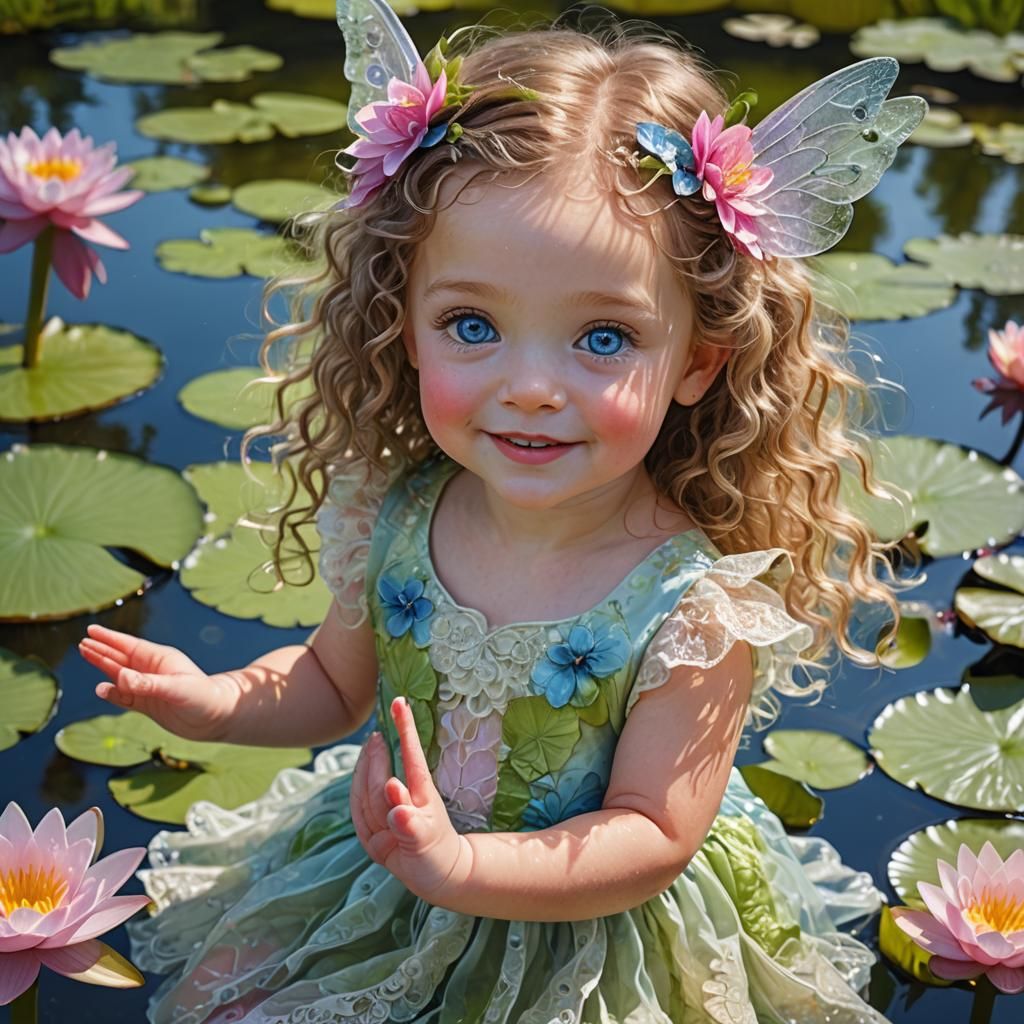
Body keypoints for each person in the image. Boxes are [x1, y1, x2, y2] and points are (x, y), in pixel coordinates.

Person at [78, 8, 924, 1023]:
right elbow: (331, 681)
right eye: (471, 325)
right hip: (392, 861)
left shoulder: (692, 607)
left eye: (603, 337)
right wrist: (217, 703)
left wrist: (465, 866)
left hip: (585, 919)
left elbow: (652, 833)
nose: (529, 386)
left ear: (696, 361)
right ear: (405, 328)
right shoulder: (402, 512)